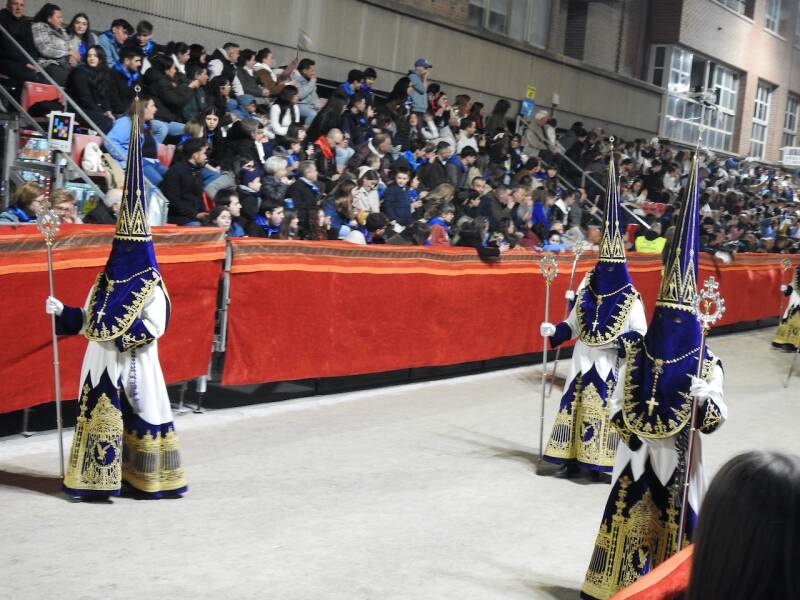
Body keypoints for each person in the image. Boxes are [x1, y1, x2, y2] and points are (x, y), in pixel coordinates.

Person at [581, 155, 726, 600]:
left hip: (680, 461)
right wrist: (631, 431)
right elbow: (616, 404)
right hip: (636, 456)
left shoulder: (706, 362)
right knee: (627, 518)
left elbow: (716, 417)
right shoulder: (636, 353)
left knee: (677, 524)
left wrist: (705, 399)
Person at [45, 106, 187, 499]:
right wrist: (64, 312)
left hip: (135, 362)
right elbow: (88, 318)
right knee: (101, 415)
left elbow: (154, 326)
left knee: (140, 412)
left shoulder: (152, 285)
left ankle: (143, 479)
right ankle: (95, 481)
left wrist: (115, 336)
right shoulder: (103, 281)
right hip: (102, 361)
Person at [540, 157, 647, 479]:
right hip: (582, 356)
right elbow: (574, 323)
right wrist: (554, 330)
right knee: (573, 404)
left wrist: (618, 343)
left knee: (602, 407)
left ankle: (599, 464)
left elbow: (640, 333)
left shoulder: (631, 297)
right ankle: (570, 459)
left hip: (608, 361)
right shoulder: (587, 286)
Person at [66, 45, 115, 132]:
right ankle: (98, 141)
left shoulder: (103, 73)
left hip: (92, 110)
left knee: (118, 120)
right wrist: (101, 113)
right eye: (89, 56)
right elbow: (85, 99)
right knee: (106, 122)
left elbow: (105, 96)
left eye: (95, 56)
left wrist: (108, 111)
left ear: (101, 58)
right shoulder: (80, 72)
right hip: (78, 109)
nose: (92, 58)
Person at [162, 138, 208, 225]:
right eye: (204, 153)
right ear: (195, 155)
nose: (206, 157)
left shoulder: (198, 172)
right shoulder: (175, 171)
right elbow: (172, 200)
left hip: (195, 216)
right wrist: (195, 214)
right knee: (196, 225)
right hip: (179, 217)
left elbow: (199, 198)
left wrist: (204, 214)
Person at [31, 2, 78, 85]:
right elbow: (45, 49)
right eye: (58, 17)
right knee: (61, 75)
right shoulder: (39, 27)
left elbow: (70, 45)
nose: (61, 20)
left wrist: (72, 55)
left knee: (81, 74)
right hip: (47, 63)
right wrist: (67, 53)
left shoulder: (61, 30)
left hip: (64, 63)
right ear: (49, 18)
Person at [0, 0, 42, 83]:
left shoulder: (26, 22)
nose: (19, 8)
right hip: (6, 59)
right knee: (31, 75)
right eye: (15, 4)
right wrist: (25, 63)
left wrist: (33, 62)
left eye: (21, 5)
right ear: (8, 5)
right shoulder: (2, 19)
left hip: (22, 62)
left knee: (43, 77)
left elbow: (31, 47)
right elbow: (7, 47)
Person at [773, 263, 800, 352]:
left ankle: (791, 344)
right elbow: (789, 291)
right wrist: (785, 289)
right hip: (792, 306)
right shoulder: (795, 282)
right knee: (788, 321)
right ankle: (782, 343)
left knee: (795, 323)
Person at [292, 58, 320, 125]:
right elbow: (300, 95)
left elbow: (314, 95)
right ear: (304, 71)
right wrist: (312, 82)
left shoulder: (309, 80)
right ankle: (305, 130)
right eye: (312, 71)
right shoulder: (294, 78)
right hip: (298, 105)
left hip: (309, 106)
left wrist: (318, 106)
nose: (313, 73)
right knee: (312, 114)